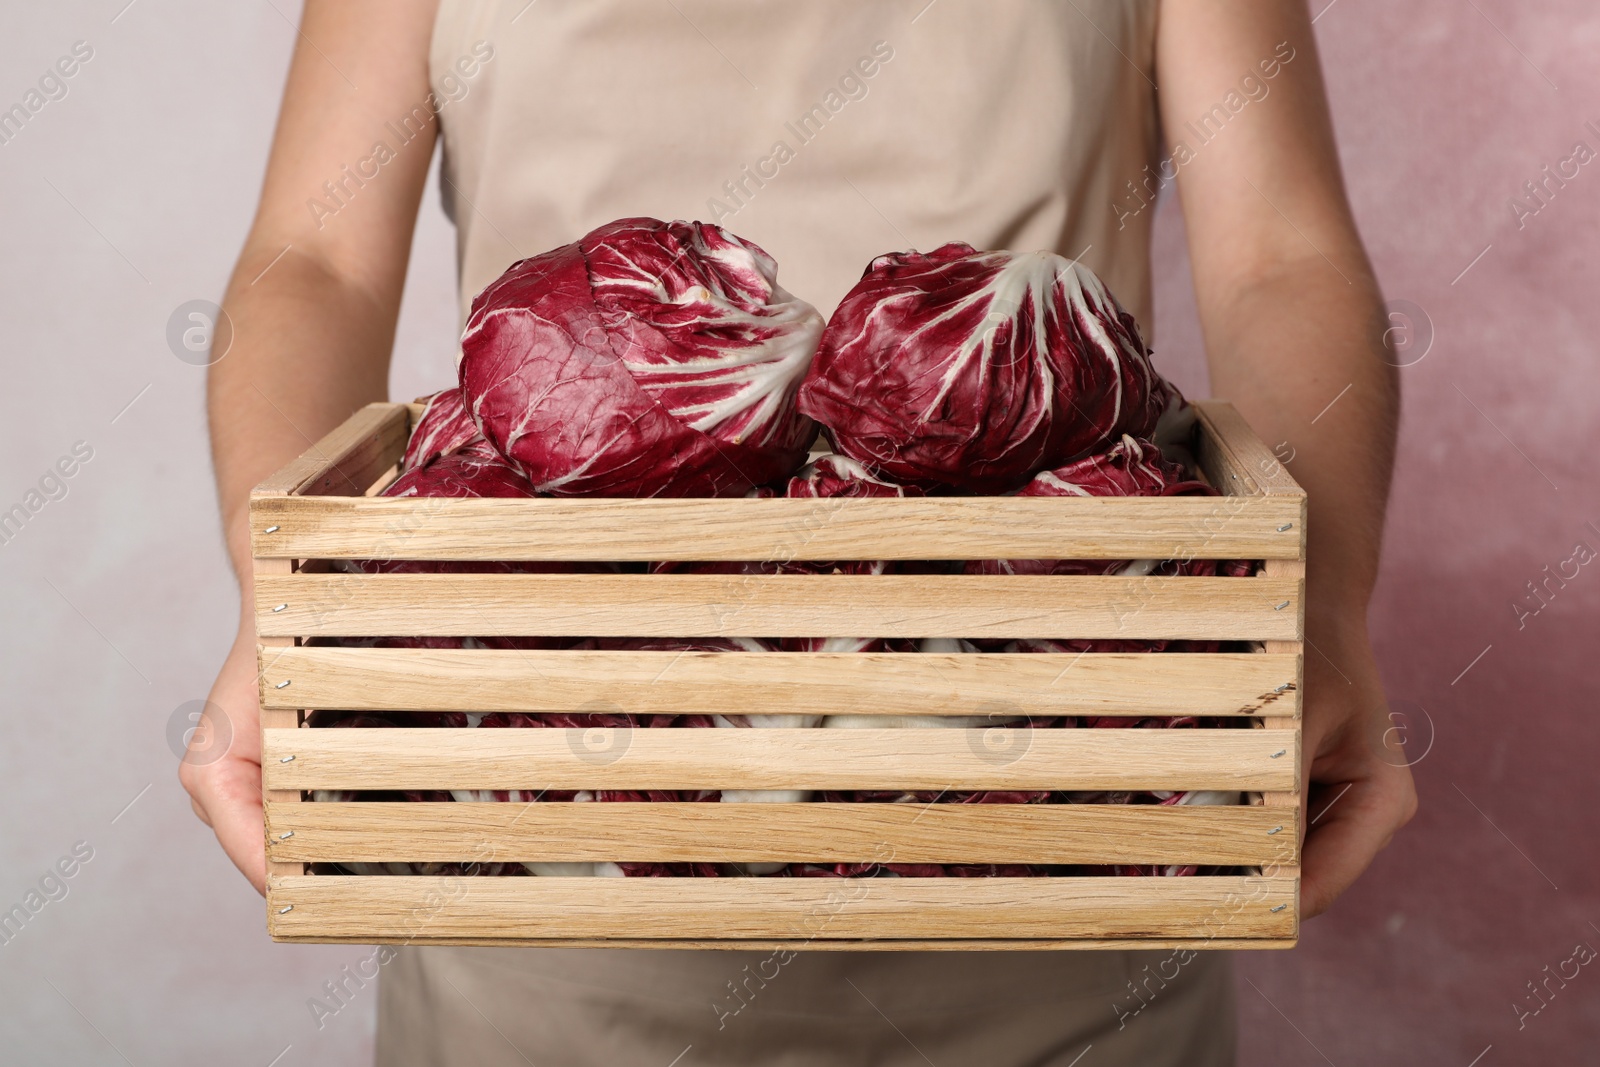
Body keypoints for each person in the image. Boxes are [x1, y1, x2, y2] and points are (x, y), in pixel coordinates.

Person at [183, 1, 1417, 1063]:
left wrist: (1321, 603)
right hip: (555, 808)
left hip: (1056, 825)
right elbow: (319, 260)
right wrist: (277, 600)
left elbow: (1279, 255)